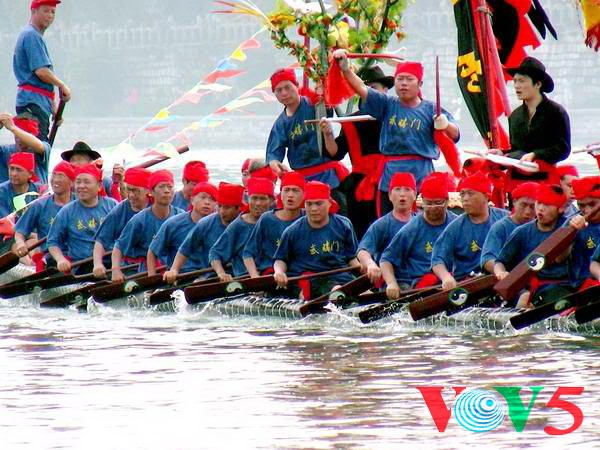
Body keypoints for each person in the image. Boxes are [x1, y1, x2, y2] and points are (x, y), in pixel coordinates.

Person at [332, 50, 460, 215]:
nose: (404, 83)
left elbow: (455, 134)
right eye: (400, 79)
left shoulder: (431, 109)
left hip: (421, 173)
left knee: (422, 223)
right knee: (389, 220)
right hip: (390, 175)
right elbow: (362, 89)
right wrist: (346, 69)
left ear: (419, 84)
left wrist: (446, 124)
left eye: (409, 79)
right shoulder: (387, 104)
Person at [266, 68, 349, 210]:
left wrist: (324, 93)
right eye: (279, 90)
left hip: (328, 177)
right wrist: (275, 164)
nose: (284, 93)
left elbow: (329, 109)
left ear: (297, 86)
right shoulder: (281, 123)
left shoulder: (315, 103)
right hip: (302, 182)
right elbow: (273, 153)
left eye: (287, 87)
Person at [273, 181, 361, 299]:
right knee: (336, 290)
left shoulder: (344, 224)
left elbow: (351, 258)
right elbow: (280, 260)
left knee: (365, 292)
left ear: (329, 203)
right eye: (309, 204)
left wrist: (365, 268)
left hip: (341, 275)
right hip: (311, 279)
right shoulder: (292, 231)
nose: (314, 209)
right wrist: (279, 272)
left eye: (319, 203)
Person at [380, 172, 458, 299]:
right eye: (429, 203)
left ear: (447, 201)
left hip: (454, 281)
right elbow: (386, 260)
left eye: (438, 203)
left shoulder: (457, 223)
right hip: (424, 286)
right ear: (422, 202)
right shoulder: (412, 228)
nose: (433, 208)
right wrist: (391, 283)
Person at [494, 184, 570, 308]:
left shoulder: (570, 226)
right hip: (535, 288)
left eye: (547, 204)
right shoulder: (522, 232)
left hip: (567, 284)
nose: (540, 209)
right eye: (538, 203)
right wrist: (501, 272)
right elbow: (500, 262)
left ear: (561, 209)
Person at [431, 172, 508, 289]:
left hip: (501, 279)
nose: (465, 199)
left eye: (470, 194)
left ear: (486, 196)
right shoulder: (455, 228)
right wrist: (446, 277)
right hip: (468, 285)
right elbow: (437, 259)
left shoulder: (505, 219)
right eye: (462, 194)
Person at [502, 57, 571, 189]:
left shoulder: (556, 112)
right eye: (515, 81)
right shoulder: (514, 116)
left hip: (544, 181)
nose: (517, 85)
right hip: (517, 183)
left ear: (538, 84)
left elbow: (563, 149)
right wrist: (501, 153)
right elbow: (517, 149)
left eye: (522, 81)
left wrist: (536, 155)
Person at [163, 182, 244, 283]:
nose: (222, 211)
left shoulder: (248, 223)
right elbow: (185, 249)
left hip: (243, 273)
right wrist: (174, 270)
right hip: (213, 275)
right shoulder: (206, 223)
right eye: (220, 206)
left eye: (227, 207)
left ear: (238, 208)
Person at [13, 0, 71, 142]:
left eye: (53, 12)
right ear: (34, 11)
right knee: (36, 151)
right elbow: (41, 71)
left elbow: (42, 82)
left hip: (38, 102)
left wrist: (54, 110)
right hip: (32, 103)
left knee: (40, 148)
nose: (50, 16)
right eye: (46, 11)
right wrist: (61, 85)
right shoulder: (31, 35)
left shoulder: (34, 36)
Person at [111, 170, 183, 280]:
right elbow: (119, 247)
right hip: (146, 270)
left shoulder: (181, 216)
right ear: (151, 192)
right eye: (162, 187)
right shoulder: (140, 219)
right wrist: (115, 270)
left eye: (169, 187)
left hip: (174, 268)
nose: (167, 191)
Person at [47, 163, 118, 274]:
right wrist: (60, 260)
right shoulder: (67, 211)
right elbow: (52, 242)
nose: (81, 186)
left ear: (99, 186)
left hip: (112, 262)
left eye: (87, 182)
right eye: (78, 182)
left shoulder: (113, 206)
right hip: (82, 265)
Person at [356, 172, 417, 284]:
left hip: (420, 279)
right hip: (395, 282)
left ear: (415, 195)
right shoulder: (382, 225)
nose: (402, 194)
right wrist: (370, 264)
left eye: (407, 189)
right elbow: (362, 250)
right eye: (397, 189)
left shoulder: (422, 222)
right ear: (389, 195)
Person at [209, 177, 273, 281]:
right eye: (254, 198)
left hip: (273, 275)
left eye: (262, 199)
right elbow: (215, 254)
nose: (257, 203)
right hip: (245, 279)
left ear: (271, 201)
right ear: (248, 199)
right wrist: (221, 273)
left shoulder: (277, 221)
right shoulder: (238, 225)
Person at [147, 182, 217, 276]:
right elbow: (152, 251)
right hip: (180, 277)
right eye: (203, 197)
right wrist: (152, 278)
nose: (207, 202)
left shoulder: (220, 225)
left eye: (212, 199)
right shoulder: (173, 224)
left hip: (210, 277)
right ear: (192, 200)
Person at [92, 167, 150, 279]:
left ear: (148, 190)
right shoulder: (120, 210)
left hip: (157, 265)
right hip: (128, 266)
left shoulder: (159, 208)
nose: (131, 195)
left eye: (136, 191)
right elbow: (101, 241)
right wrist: (97, 264)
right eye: (129, 190)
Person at [243, 171, 304, 277]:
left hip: (300, 274)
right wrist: (254, 277)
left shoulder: (308, 218)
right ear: (280, 195)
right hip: (271, 274)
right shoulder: (267, 219)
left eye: (295, 191)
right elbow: (248, 252)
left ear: (304, 195)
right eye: (286, 190)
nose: (290, 195)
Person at [12, 161, 75, 265]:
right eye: (53, 175)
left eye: (61, 176)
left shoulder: (80, 203)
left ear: (72, 182)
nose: (55, 179)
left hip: (78, 255)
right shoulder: (39, 205)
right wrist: (20, 243)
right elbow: (20, 232)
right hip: (50, 257)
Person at [480, 182, 539, 273]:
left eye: (532, 206)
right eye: (523, 205)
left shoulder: (541, 227)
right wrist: (501, 272)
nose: (528, 211)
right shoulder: (501, 227)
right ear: (514, 202)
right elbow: (487, 259)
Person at [0, 113, 51, 184]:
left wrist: (13, 128)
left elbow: (40, 147)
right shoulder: (5, 151)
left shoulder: (43, 148)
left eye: (22, 135)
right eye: (17, 136)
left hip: (37, 193)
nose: (20, 140)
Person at [568, 177, 600, 288]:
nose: (587, 210)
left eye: (592, 204)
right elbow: (558, 258)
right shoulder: (573, 222)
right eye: (581, 205)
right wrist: (571, 232)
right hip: (583, 285)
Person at [0, 152, 44, 218]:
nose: (14, 174)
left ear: (30, 174)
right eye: (11, 169)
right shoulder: (1, 192)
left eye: (19, 170)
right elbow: (6, 221)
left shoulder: (41, 191)